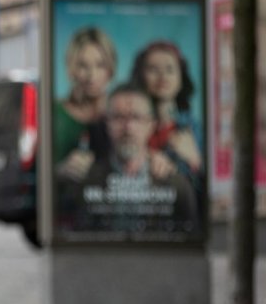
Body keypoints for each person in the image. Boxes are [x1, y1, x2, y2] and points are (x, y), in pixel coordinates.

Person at [58, 83, 199, 238]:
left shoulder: (176, 184)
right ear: (107, 124)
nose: (128, 128)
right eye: (118, 118)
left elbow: (191, 239)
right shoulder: (83, 180)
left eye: (137, 118)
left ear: (151, 125)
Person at [129, 41, 203, 187]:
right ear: (140, 76)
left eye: (170, 69)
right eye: (153, 69)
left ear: (181, 78)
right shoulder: (125, 124)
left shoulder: (195, 130)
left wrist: (195, 160)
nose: (163, 76)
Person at [54, 26, 117, 182]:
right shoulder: (55, 113)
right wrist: (60, 171)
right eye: (83, 66)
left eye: (100, 65)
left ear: (110, 69)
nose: (91, 75)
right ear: (72, 69)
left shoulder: (121, 113)